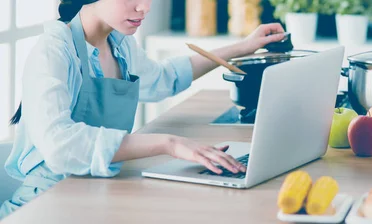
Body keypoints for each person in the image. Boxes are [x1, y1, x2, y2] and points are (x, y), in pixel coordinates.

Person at [0, 0, 287, 219]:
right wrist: (168, 143)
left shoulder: (119, 42)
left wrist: (245, 46)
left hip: (95, 191)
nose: (144, 7)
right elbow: (60, 146)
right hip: (44, 205)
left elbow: (164, 78)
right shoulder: (53, 50)